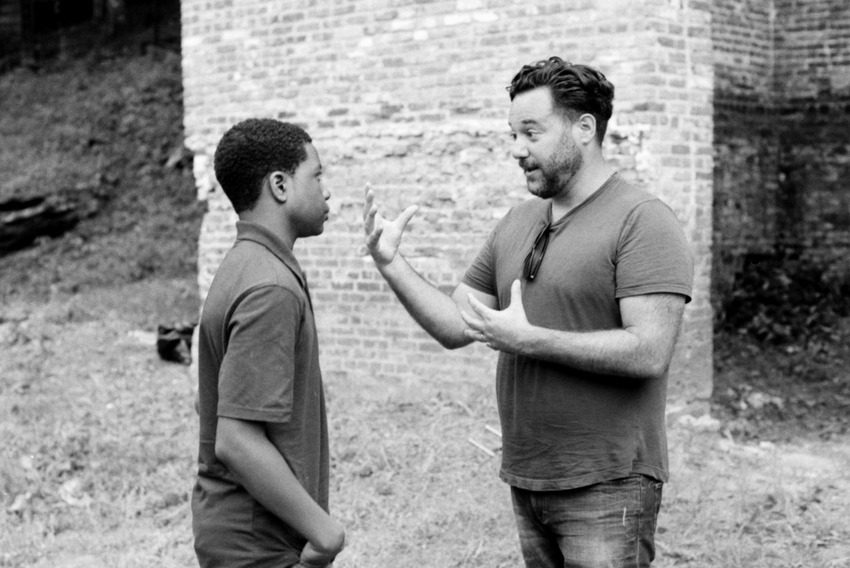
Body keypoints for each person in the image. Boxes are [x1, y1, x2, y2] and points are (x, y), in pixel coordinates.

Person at [363, 57, 693, 567]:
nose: (517, 149)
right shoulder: (518, 220)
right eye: (513, 134)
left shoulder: (643, 221)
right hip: (529, 476)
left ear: (584, 128)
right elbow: (457, 324)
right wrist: (392, 264)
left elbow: (649, 350)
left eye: (531, 132)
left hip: (607, 483)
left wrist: (528, 339)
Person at [192, 118, 344, 568]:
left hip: (249, 533)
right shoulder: (269, 287)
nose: (327, 190)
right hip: (258, 544)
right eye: (316, 175)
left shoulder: (246, 264)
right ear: (279, 185)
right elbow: (236, 440)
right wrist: (326, 532)